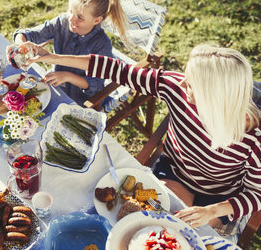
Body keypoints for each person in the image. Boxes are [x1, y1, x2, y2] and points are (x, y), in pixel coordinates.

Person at [27, 43, 261, 231]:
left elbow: (256, 194)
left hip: (215, 199)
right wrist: (52, 57)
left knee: (186, 234)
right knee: (142, 224)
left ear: (216, 97)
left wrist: (212, 211)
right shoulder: (177, 88)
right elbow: (116, 70)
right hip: (172, 173)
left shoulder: (253, 140)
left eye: (192, 85)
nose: (181, 83)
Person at [13, 0, 130, 106]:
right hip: (54, 88)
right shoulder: (62, 22)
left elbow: (96, 85)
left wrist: (67, 76)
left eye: (80, 17)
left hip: (82, 102)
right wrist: (21, 43)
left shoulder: (102, 44)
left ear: (97, 20)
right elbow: (29, 34)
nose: (71, 18)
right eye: (70, 10)